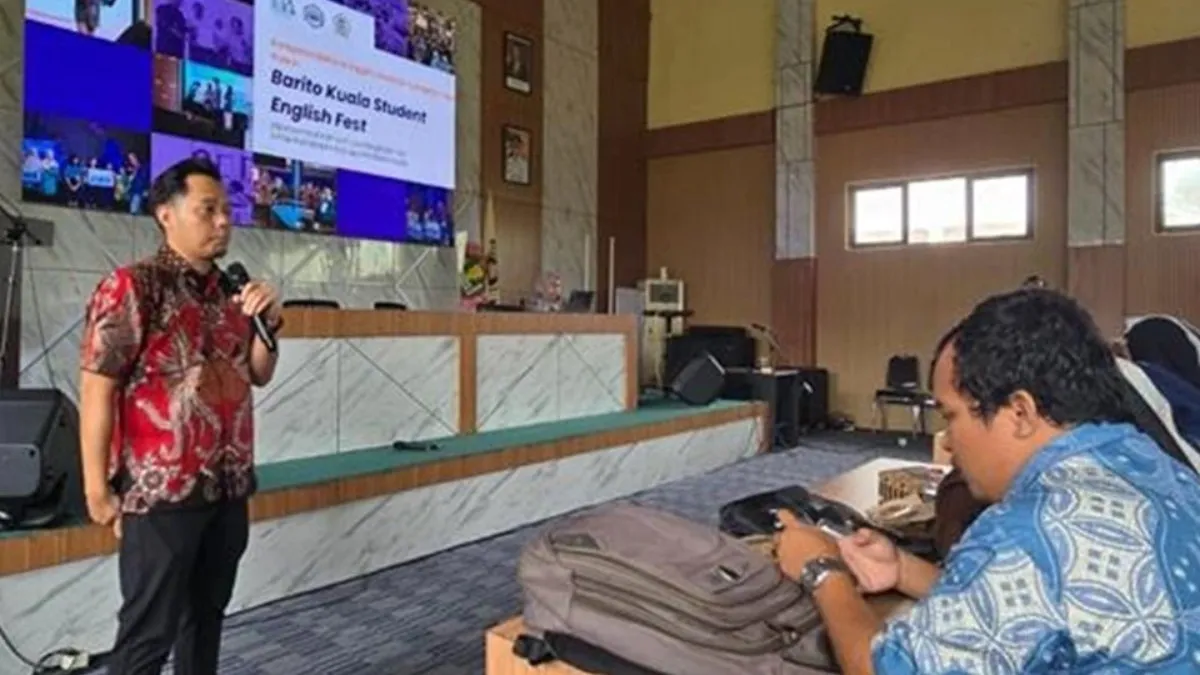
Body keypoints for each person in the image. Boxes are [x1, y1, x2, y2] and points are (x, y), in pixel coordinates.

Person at [774, 288, 1200, 674]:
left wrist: (822, 570)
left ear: (1019, 412)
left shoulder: (1029, 530)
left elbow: (883, 669)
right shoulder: (1156, 465)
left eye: (952, 416)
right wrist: (902, 570)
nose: (947, 440)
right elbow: (1041, 611)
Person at [78, 158, 284, 675]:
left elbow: (258, 373)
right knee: (147, 636)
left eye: (226, 210)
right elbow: (98, 388)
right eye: (207, 210)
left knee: (205, 622)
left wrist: (269, 324)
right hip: (161, 496)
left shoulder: (233, 295)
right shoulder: (134, 286)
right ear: (165, 214)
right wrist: (96, 490)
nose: (223, 222)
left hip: (228, 489)